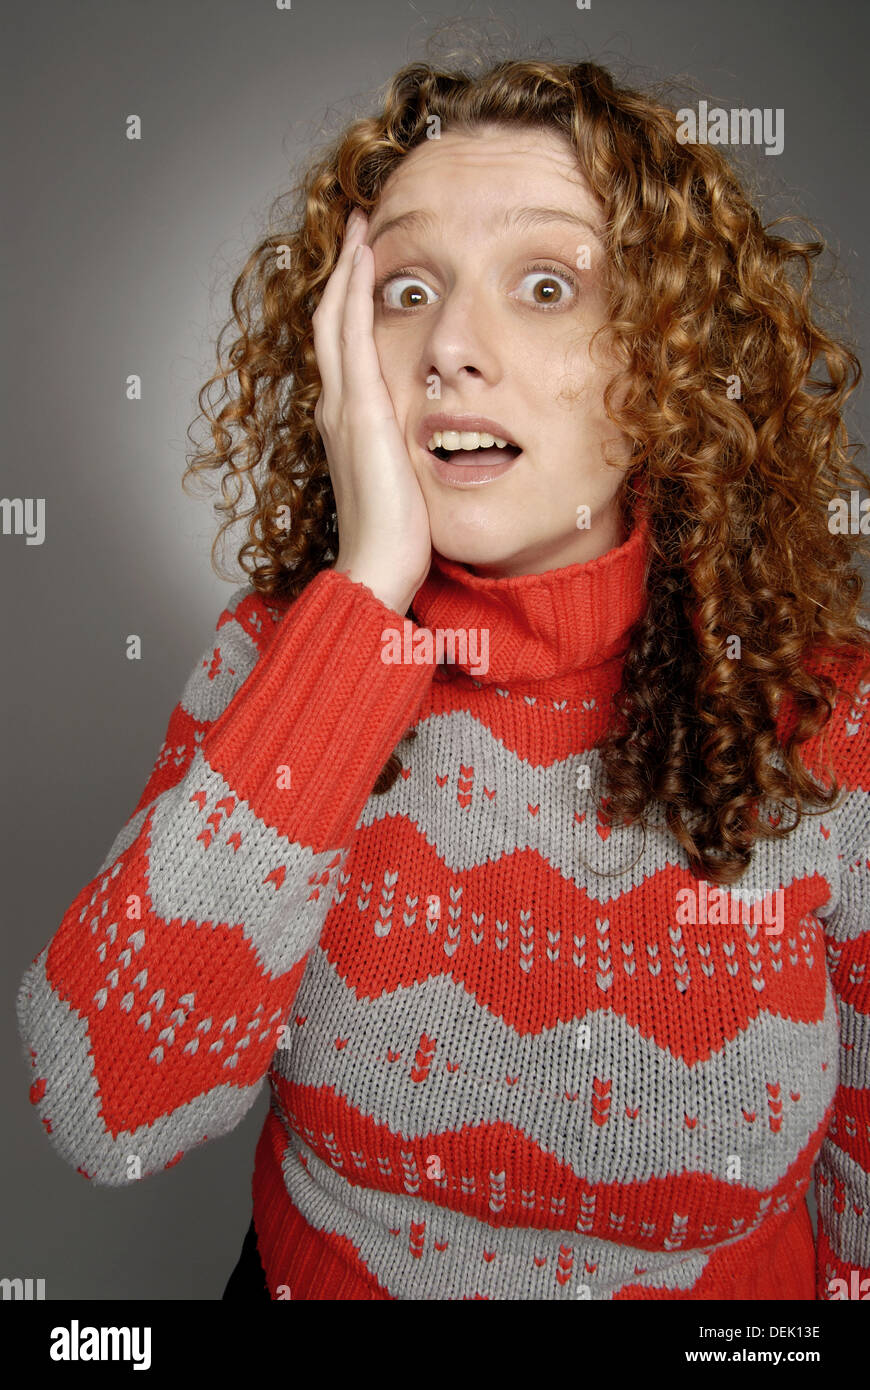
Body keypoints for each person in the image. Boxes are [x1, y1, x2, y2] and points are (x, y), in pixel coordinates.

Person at [16, 54, 869, 1302]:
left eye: (545, 284)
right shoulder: (279, 660)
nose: (453, 348)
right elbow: (105, 1106)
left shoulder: (832, 726)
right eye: (406, 289)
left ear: (668, 360)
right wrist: (360, 602)